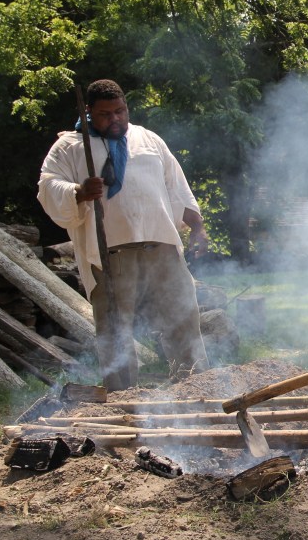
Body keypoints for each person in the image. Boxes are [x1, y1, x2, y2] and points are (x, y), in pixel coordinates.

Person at [38, 79, 210, 391]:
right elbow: (48, 186)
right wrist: (78, 191)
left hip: (161, 245)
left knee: (183, 315)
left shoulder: (147, 138)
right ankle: (122, 397)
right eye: (105, 114)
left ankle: (194, 387)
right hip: (110, 253)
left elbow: (176, 186)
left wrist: (197, 228)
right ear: (89, 112)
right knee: (115, 326)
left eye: (120, 111)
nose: (115, 119)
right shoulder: (71, 147)